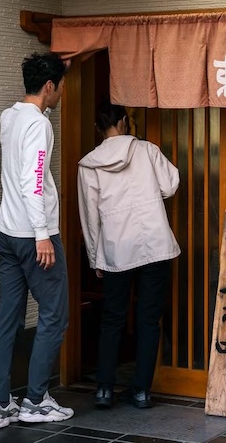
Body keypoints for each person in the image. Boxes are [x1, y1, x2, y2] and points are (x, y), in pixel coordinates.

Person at [0, 52, 74, 428]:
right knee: (55, 315)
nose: (62, 94)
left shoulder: (11, 116)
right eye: (60, 87)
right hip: (32, 235)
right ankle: (36, 400)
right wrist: (42, 236)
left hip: (6, 232)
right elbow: (33, 180)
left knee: (8, 318)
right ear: (50, 86)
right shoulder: (37, 125)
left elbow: (22, 163)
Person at [77, 103, 180, 409]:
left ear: (99, 128)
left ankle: (104, 389)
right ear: (124, 122)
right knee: (149, 319)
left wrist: (96, 256)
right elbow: (171, 185)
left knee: (112, 319)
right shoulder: (147, 151)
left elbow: (89, 216)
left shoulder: (90, 164)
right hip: (154, 243)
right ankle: (141, 391)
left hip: (116, 248)